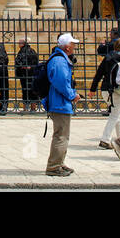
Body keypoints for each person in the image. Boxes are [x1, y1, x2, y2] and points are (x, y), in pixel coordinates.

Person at [43, 33, 79, 176]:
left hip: (60, 102)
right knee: (61, 136)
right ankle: (53, 167)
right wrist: (72, 95)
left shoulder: (61, 59)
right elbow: (61, 82)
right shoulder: (59, 61)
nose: (75, 47)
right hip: (59, 103)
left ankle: (59, 162)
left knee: (63, 135)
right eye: (73, 44)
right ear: (68, 47)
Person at [93, 35, 120, 149]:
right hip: (117, 91)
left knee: (118, 113)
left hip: (105, 90)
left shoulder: (108, 57)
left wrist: (92, 89)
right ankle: (105, 140)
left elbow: (99, 73)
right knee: (115, 115)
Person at [15, 37, 40, 112]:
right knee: (32, 91)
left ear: (23, 43)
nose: (18, 44)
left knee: (25, 91)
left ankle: (25, 108)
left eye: (19, 42)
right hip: (32, 74)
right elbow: (36, 63)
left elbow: (18, 62)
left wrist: (24, 67)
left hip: (24, 75)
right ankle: (33, 108)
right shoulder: (33, 51)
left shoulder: (22, 51)